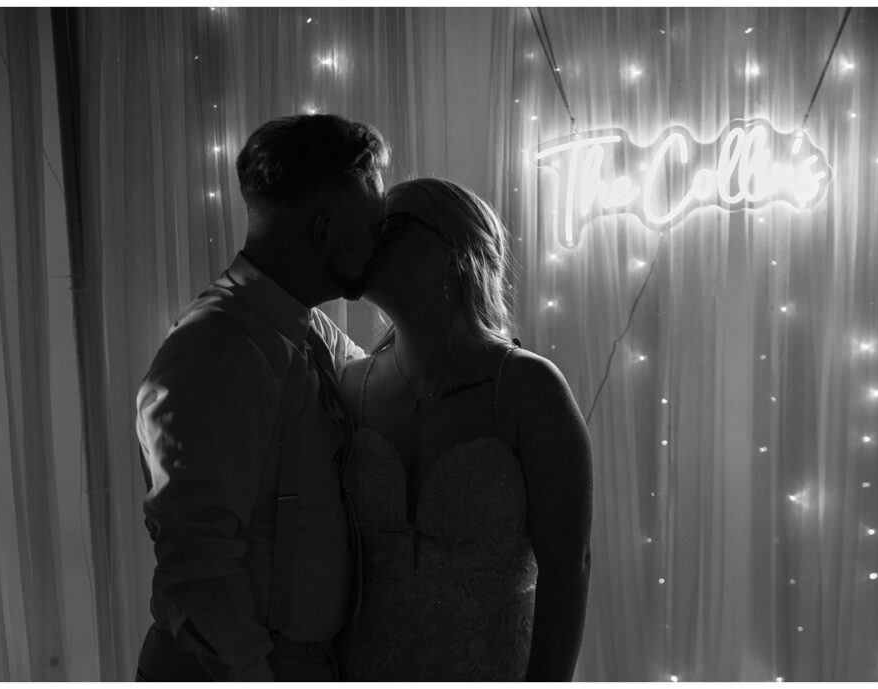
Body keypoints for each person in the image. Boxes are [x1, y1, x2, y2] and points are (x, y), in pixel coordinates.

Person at [134, 113, 389, 681]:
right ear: (324, 231)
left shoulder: (311, 333)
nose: (380, 245)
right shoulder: (215, 349)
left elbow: (383, 392)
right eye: (373, 227)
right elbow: (197, 569)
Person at [335, 178, 593, 680]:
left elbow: (568, 570)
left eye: (391, 227)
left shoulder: (527, 388)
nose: (369, 240)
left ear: (456, 252)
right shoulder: (350, 386)